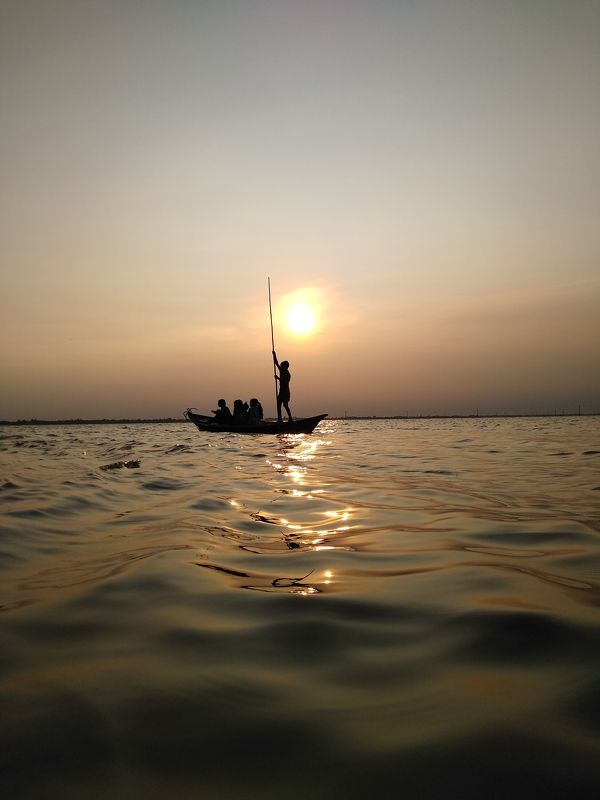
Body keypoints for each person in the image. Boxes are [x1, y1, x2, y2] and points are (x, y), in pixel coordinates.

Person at [272, 350, 293, 422]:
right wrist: (274, 354)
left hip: (285, 391)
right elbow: (276, 363)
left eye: (282, 365)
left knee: (285, 405)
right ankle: (280, 419)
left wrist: (278, 378)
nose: (280, 366)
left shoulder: (288, 374)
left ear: (285, 367)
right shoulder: (281, 370)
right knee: (278, 405)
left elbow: (284, 382)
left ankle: (290, 418)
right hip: (281, 391)